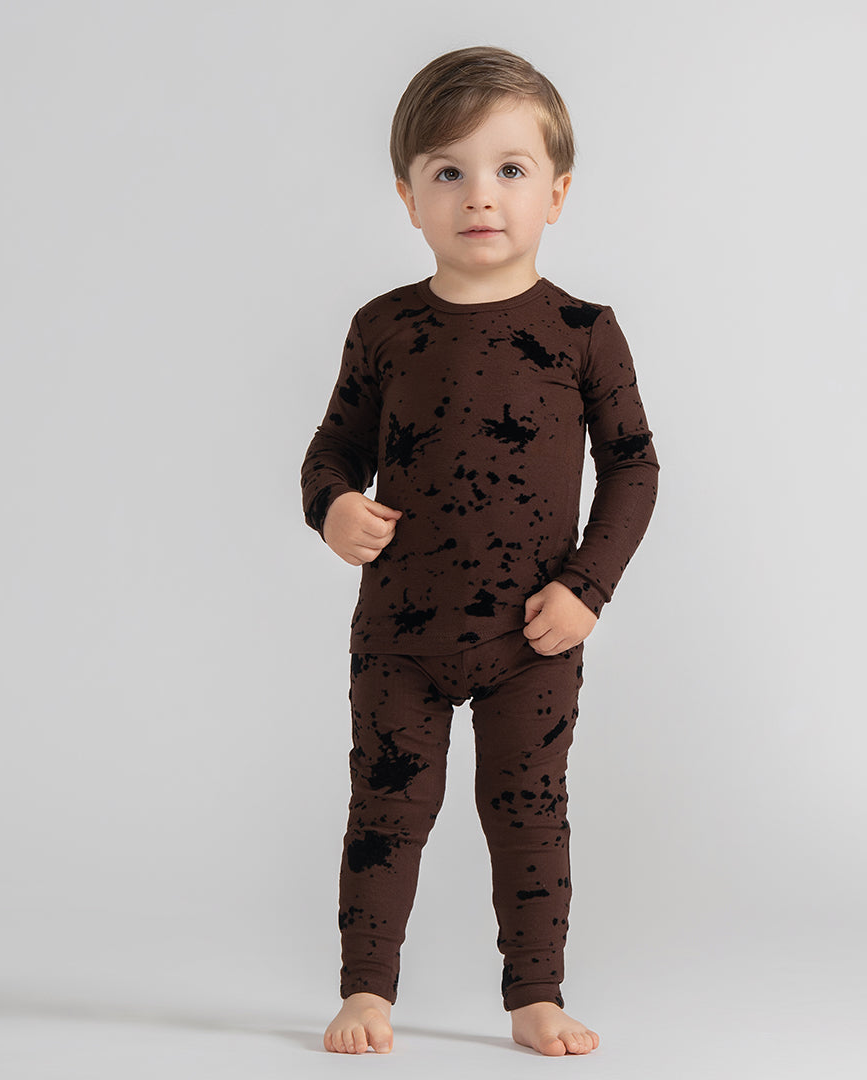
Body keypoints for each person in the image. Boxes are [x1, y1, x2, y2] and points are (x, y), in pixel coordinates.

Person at [300, 45, 659, 1056]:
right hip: (399, 634)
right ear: (409, 198)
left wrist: (587, 587)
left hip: (531, 635)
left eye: (510, 168)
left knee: (528, 812)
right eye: (448, 172)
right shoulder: (383, 327)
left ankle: (535, 994)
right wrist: (333, 506)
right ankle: (366, 991)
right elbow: (332, 450)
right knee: (385, 808)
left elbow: (634, 467)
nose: (480, 196)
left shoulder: (584, 331)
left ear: (558, 192)